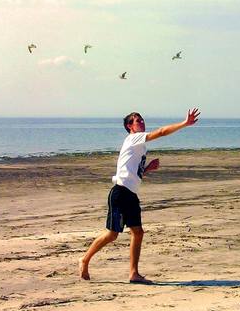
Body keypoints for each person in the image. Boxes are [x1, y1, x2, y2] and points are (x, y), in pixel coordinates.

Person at [79, 108, 200, 284]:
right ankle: (84, 259)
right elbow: (161, 132)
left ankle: (133, 273)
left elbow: (133, 172)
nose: (141, 122)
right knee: (112, 235)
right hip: (120, 193)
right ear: (130, 126)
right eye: (137, 121)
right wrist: (184, 123)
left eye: (142, 120)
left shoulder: (140, 145)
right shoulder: (133, 138)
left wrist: (147, 168)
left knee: (138, 232)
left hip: (131, 194)